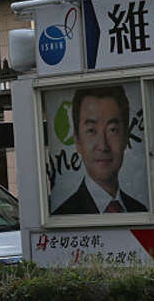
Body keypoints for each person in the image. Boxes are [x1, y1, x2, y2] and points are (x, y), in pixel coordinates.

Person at [52, 86, 147, 215]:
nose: (103, 145)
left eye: (112, 130)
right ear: (78, 141)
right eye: (91, 130)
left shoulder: (140, 211)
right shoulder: (64, 216)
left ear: (125, 137)